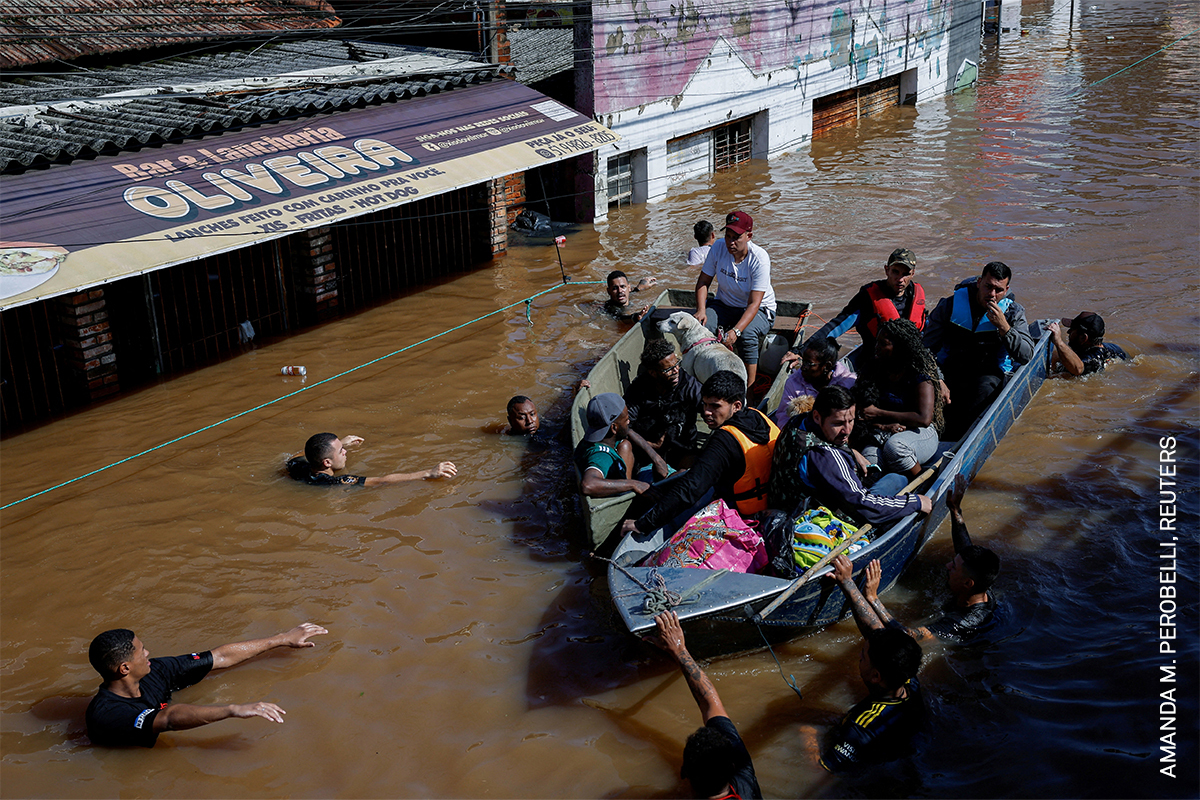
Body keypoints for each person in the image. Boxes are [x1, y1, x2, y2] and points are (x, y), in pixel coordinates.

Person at [85, 622, 328, 747]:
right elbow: (168, 718)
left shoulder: (155, 670)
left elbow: (219, 657)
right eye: (141, 651)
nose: (148, 652)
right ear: (124, 668)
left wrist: (282, 639)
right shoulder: (107, 714)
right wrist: (233, 710)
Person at [830, 475, 1000, 644]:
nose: (947, 565)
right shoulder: (978, 583)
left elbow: (906, 637)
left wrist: (873, 598)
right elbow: (964, 550)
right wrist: (955, 510)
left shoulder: (962, 622)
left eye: (953, 567)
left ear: (968, 583)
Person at [621, 371, 778, 536]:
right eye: (704, 404)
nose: (706, 412)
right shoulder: (758, 417)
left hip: (743, 515)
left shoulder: (724, 441)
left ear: (736, 406)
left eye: (715, 406)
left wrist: (643, 524)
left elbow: (690, 489)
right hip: (771, 506)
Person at [769, 385, 932, 525]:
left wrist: (851, 451)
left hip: (787, 507)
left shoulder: (797, 422)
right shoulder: (825, 456)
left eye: (851, 421)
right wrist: (915, 502)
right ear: (817, 416)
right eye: (838, 424)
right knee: (898, 479)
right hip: (823, 522)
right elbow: (864, 506)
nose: (847, 431)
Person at [650, 611, 762, 799]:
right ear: (733, 766)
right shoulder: (745, 782)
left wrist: (678, 649)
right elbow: (710, 703)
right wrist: (679, 650)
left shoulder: (744, 775)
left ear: (684, 773)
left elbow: (708, 701)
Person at [922, 261, 1033, 439]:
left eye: (999, 290)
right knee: (926, 385)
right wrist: (938, 379)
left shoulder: (1013, 312)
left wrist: (1004, 328)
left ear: (1006, 290)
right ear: (979, 282)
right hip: (951, 370)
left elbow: (1027, 355)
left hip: (987, 374)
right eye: (988, 287)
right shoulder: (949, 306)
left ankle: (963, 438)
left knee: (986, 388)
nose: (992, 294)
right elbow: (925, 350)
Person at [799, 627, 925, 773]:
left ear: (876, 676)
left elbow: (821, 772)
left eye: (863, 657)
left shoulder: (860, 729)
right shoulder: (910, 681)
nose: (859, 655)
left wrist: (808, 734)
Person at [784, 248, 927, 369]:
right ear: (886, 270)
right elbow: (837, 326)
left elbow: (926, 329)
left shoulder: (916, 294)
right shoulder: (868, 297)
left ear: (912, 274)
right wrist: (802, 351)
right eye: (895, 272)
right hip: (874, 362)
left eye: (906, 274)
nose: (900, 279)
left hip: (908, 360)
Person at [694, 211, 778, 389]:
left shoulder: (759, 258)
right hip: (724, 304)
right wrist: (701, 310)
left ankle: (749, 391)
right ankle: (706, 382)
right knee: (702, 327)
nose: (730, 242)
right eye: (728, 236)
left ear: (749, 236)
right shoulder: (717, 247)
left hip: (760, 309)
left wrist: (736, 331)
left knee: (747, 336)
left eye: (736, 237)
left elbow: (754, 303)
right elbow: (703, 282)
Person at [851, 319, 945, 477]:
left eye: (883, 344)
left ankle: (921, 484)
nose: (876, 348)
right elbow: (861, 410)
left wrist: (879, 413)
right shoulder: (872, 368)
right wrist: (882, 425)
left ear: (901, 348)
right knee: (869, 460)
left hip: (919, 432)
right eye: (877, 342)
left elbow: (923, 419)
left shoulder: (919, 373)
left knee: (895, 448)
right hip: (881, 430)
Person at [624, 338, 703, 468]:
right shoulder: (640, 387)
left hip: (682, 447)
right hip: (647, 449)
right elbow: (625, 425)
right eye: (669, 369)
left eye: (677, 364)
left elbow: (708, 407)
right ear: (653, 373)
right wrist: (651, 449)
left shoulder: (689, 385)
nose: (676, 371)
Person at [575, 392, 671, 498]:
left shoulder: (601, 437)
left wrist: (655, 457)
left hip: (618, 478)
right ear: (614, 428)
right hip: (616, 494)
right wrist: (634, 484)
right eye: (626, 420)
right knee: (679, 475)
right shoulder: (602, 456)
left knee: (625, 444)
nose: (629, 422)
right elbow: (588, 485)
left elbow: (628, 431)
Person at [286, 432, 456, 486]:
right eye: (341, 450)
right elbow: (380, 481)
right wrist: (427, 473)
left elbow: (300, 454)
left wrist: (340, 444)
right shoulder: (337, 482)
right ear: (327, 463)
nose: (345, 451)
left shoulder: (296, 466)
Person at [771, 336, 857, 427]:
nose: (803, 367)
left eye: (809, 364)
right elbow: (783, 417)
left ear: (827, 367)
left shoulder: (848, 383)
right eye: (803, 361)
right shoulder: (793, 382)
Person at [1049, 311, 1128, 376]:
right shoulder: (1113, 348)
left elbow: (1078, 369)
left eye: (1072, 329)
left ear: (1083, 338)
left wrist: (1059, 342)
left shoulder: (1091, 360)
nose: (1068, 332)